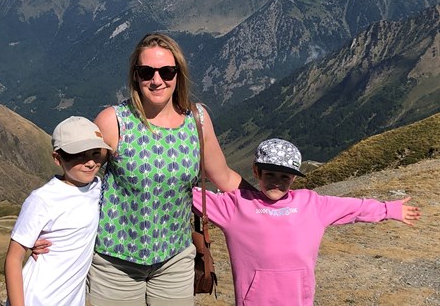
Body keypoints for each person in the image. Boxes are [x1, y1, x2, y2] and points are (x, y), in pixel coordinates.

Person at [33, 32, 253, 305]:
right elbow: (77, 177)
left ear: (178, 74)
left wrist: (268, 204)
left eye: (167, 71)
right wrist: (37, 230)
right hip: (115, 264)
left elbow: (225, 177)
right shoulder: (114, 121)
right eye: (147, 71)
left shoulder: (198, 121)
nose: (157, 80)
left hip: (174, 260)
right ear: (135, 76)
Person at [192, 137, 421, 306]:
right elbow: (186, 195)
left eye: (285, 177)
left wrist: (388, 209)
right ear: (256, 172)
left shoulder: (312, 204)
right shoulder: (236, 205)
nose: (277, 182)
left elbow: (354, 207)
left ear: (293, 178)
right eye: (270, 174)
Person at [4, 116, 112, 306]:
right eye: (78, 155)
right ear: (57, 158)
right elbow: (14, 258)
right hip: (37, 298)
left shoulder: (97, 186)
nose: (89, 162)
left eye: (95, 153)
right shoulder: (42, 199)